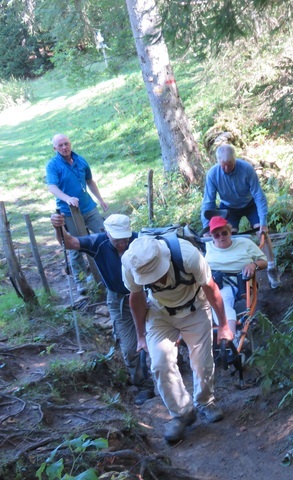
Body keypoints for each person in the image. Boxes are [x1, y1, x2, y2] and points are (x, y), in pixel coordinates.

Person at [121, 235, 234, 443]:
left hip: (195, 307)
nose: (153, 280)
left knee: (201, 361)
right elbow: (135, 298)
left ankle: (205, 402)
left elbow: (211, 289)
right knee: (160, 363)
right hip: (159, 313)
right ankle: (182, 413)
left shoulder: (188, 256)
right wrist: (140, 335)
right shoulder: (130, 265)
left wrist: (224, 325)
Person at [51, 213, 155, 405]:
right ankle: (143, 385)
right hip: (119, 301)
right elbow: (70, 243)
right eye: (117, 240)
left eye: (125, 239)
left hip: (147, 296)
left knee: (160, 338)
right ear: (107, 233)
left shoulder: (141, 241)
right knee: (130, 347)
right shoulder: (97, 243)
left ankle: (172, 369)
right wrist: (59, 228)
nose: (122, 244)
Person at [200, 143, 281, 288]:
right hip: (228, 207)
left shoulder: (246, 169)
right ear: (218, 161)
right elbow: (208, 202)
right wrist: (207, 227)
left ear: (235, 160)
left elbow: (259, 195)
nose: (226, 168)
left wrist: (263, 222)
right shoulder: (213, 174)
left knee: (261, 233)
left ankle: (271, 267)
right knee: (228, 237)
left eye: (229, 164)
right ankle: (234, 272)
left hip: (250, 204)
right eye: (223, 165)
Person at [46, 134, 109, 294]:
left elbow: (90, 181)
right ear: (55, 148)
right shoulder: (53, 165)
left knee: (106, 235)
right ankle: (81, 281)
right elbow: (52, 187)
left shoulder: (80, 160)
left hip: (88, 207)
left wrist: (100, 199)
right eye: (60, 146)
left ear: (70, 143)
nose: (64, 147)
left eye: (66, 144)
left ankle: (108, 269)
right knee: (75, 246)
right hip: (69, 212)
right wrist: (67, 199)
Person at [203, 216, 267, 342]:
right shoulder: (207, 247)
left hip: (234, 282)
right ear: (211, 236)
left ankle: (230, 336)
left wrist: (253, 265)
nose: (221, 237)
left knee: (222, 299)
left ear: (230, 232)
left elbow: (263, 261)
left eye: (224, 233)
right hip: (211, 280)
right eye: (216, 235)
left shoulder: (245, 243)